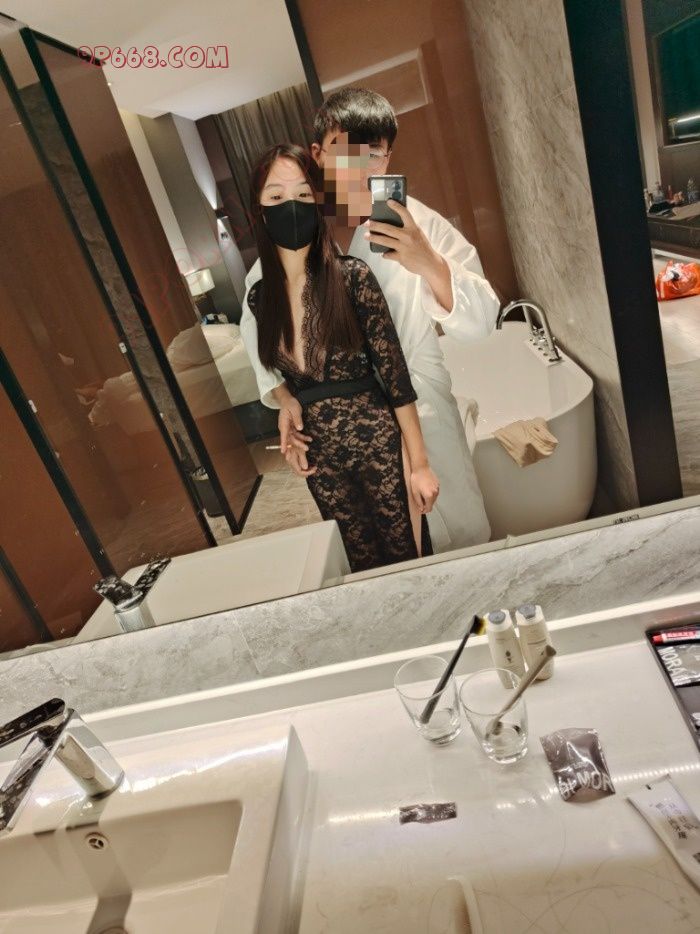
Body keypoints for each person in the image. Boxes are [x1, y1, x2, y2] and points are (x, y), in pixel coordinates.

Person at [241, 87, 500, 553]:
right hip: (348, 428)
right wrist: (282, 397)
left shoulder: (416, 223)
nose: (360, 168)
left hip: (422, 411)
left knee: (460, 538)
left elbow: (483, 321)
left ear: (388, 159)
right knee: (380, 549)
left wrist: (429, 263)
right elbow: (257, 319)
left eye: (373, 153)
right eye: (345, 152)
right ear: (318, 154)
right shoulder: (295, 230)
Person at [245, 142, 439, 573]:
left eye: (303, 194)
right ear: (259, 211)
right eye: (276, 196)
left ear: (317, 202)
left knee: (410, 566)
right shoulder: (260, 298)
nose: (291, 205)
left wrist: (421, 465)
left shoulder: (352, 277)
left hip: (377, 443)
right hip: (322, 461)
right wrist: (286, 406)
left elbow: (396, 378)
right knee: (362, 569)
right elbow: (280, 377)